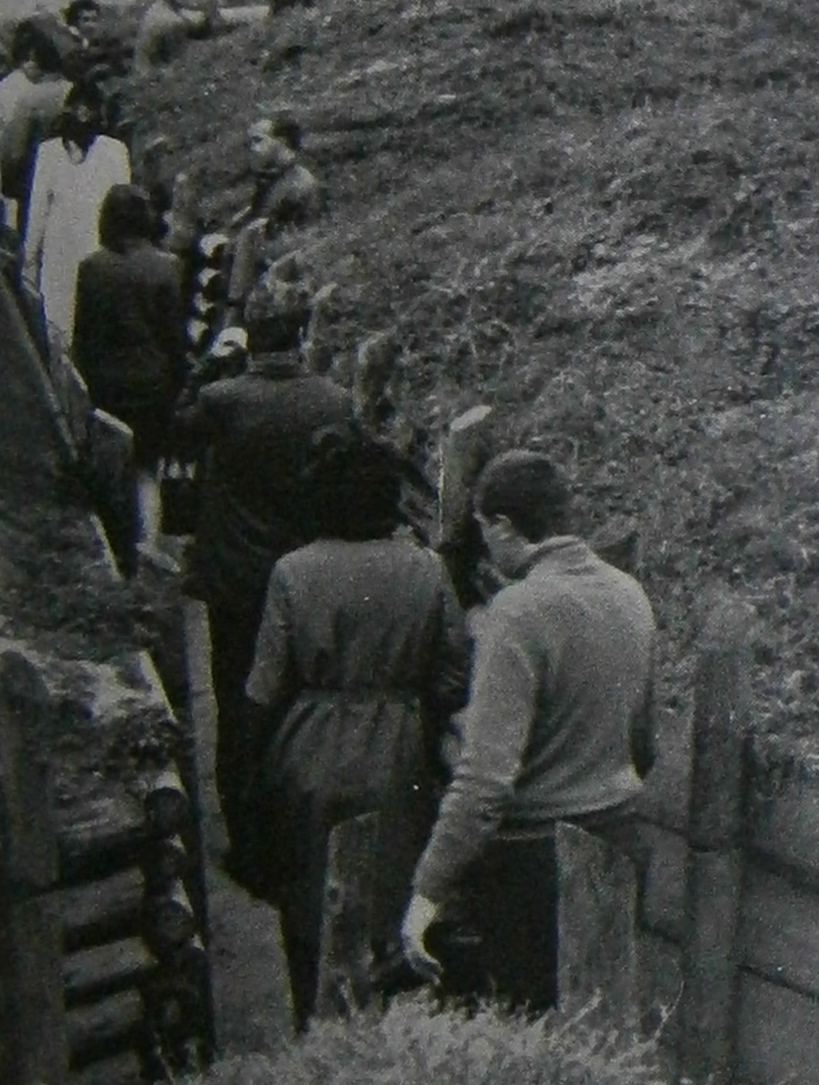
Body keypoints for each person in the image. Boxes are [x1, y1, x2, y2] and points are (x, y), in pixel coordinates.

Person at [400, 450, 657, 1013]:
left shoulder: (517, 611)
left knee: (523, 1028)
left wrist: (427, 890)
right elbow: (645, 746)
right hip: (618, 841)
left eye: (484, 530)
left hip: (533, 867)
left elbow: (484, 780)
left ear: (503, 527)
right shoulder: (630, 594)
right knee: (599, 1024)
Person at [233, 426, 469, 1031]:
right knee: (390, 921)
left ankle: (315, 1040)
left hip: (306, 755)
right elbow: (452, 678)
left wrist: (250, 773)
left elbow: (263, 688)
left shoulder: (293, 572)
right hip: (398, 760)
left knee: (309, 918)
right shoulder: (426, 570)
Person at [174, 272, 353, 837]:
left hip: (237, 581)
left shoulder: (223, 400)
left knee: (235, 699)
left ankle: (245, 834)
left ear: (250, 335)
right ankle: (293, 823)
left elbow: (174, 425)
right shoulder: (334, 400)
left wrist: (211, 364)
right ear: (300, 332)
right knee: (298, 702)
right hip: (306, 580)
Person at [72, 186, 186, 558]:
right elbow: (174, 338)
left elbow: (84, 337)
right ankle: (148, 548)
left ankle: (113, 548)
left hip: (107, 386)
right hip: (152, 386)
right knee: (147, 470)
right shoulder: (166, 268)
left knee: (111, 467)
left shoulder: (92, 268)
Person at [22, 82, 131, 344]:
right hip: (61, 250)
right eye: (77, 110)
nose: (82, 116)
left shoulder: (114, 151)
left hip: (100, 249)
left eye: (88, 110)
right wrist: (29, 259)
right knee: (60, 322)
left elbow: (124, 205)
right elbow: (37, 211)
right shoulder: (48, 153)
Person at [220, 112, 324, 329]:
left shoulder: (298, 182)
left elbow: (296, 231)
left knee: (247, 238)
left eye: (258, 140)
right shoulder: (275, 178)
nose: (251, 149)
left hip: (289, 256)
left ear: (282, 143)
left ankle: (232, 320)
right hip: (270, 254)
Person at [0, 21, 72, 234]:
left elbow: (6, 145)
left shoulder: (22, 96)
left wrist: (10, 186)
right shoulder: (72, 89)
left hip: (32, 178)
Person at [133, 0, 224, 74]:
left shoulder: (164, 7)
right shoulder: (164, 17)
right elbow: (194, 29)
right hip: (154, 75)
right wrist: (210, 12)